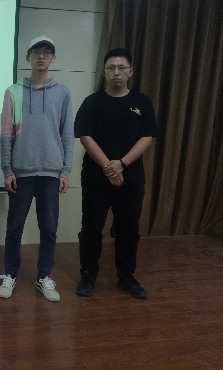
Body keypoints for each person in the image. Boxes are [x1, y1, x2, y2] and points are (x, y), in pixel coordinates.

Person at [74, 48, 158, 299]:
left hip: (131, 178)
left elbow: (148, 136)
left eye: (122, 68)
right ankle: (88, 274)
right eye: (111, 68)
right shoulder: (92, 102)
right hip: (96, 177)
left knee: (128, 229)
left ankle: (126, 277)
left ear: (131, 71)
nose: (116, 73)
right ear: (104, 72)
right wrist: (108, 167)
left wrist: (121, 163)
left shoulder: (142, 103)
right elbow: (84, 136)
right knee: (91, 228)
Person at [0, 36, 74, 302]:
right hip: (21, 172)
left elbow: (67, 134)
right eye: (36, 51)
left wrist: (65, 171)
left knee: (49, 228)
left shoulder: (62, 93)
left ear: (53, 58)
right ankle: (10, 274)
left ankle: (44, 277)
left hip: (51, 173)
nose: (41, 56)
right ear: (28, 57)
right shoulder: (13, 91)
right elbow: (6, 134)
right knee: (14, 227)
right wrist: (7, 169)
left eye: (47, 52)